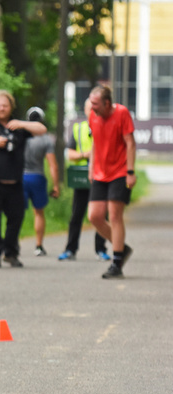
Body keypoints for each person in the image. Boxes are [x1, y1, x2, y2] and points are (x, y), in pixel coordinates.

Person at [0, 90, 47, 268]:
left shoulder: (19, 126)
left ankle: (11, 253)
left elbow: (42, 130)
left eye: (5, 105)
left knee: (16, 219)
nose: (1, 109)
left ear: (11, 106)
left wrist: (22, 124)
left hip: (15, 184)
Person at [86, 85, 137, 279]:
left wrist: (130, 172)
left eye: (96, 104)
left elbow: (130, 143)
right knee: (94, 216)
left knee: (115, 215)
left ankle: (116, 263)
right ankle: (121, 248)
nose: (93, 108)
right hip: (100, 172)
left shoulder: (122, 113)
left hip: (120, 171)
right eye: (91, 103)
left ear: (107, 103)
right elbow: (95, 143)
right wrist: (92, 167)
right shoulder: (93, 116)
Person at [59, 98, 108, 261]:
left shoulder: (107, 127)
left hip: (102, 178)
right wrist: (85, 155)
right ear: (85, 111)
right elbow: (69, 154)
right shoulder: (78, 129)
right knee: (76, 215)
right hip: (81, 179)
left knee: (101, 215)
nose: (93, 112)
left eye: (96, 108)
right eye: (90, 109)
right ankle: (71, 249)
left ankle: (101, 249)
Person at [21, 107, 60, 257]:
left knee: (17, 213)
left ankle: (13, 244)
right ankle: (38, 245)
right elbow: (53, 165)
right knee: (39, 213)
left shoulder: (22, 137)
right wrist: (55, 185)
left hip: (21, 177)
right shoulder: (46, 139)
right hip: (37, 177)